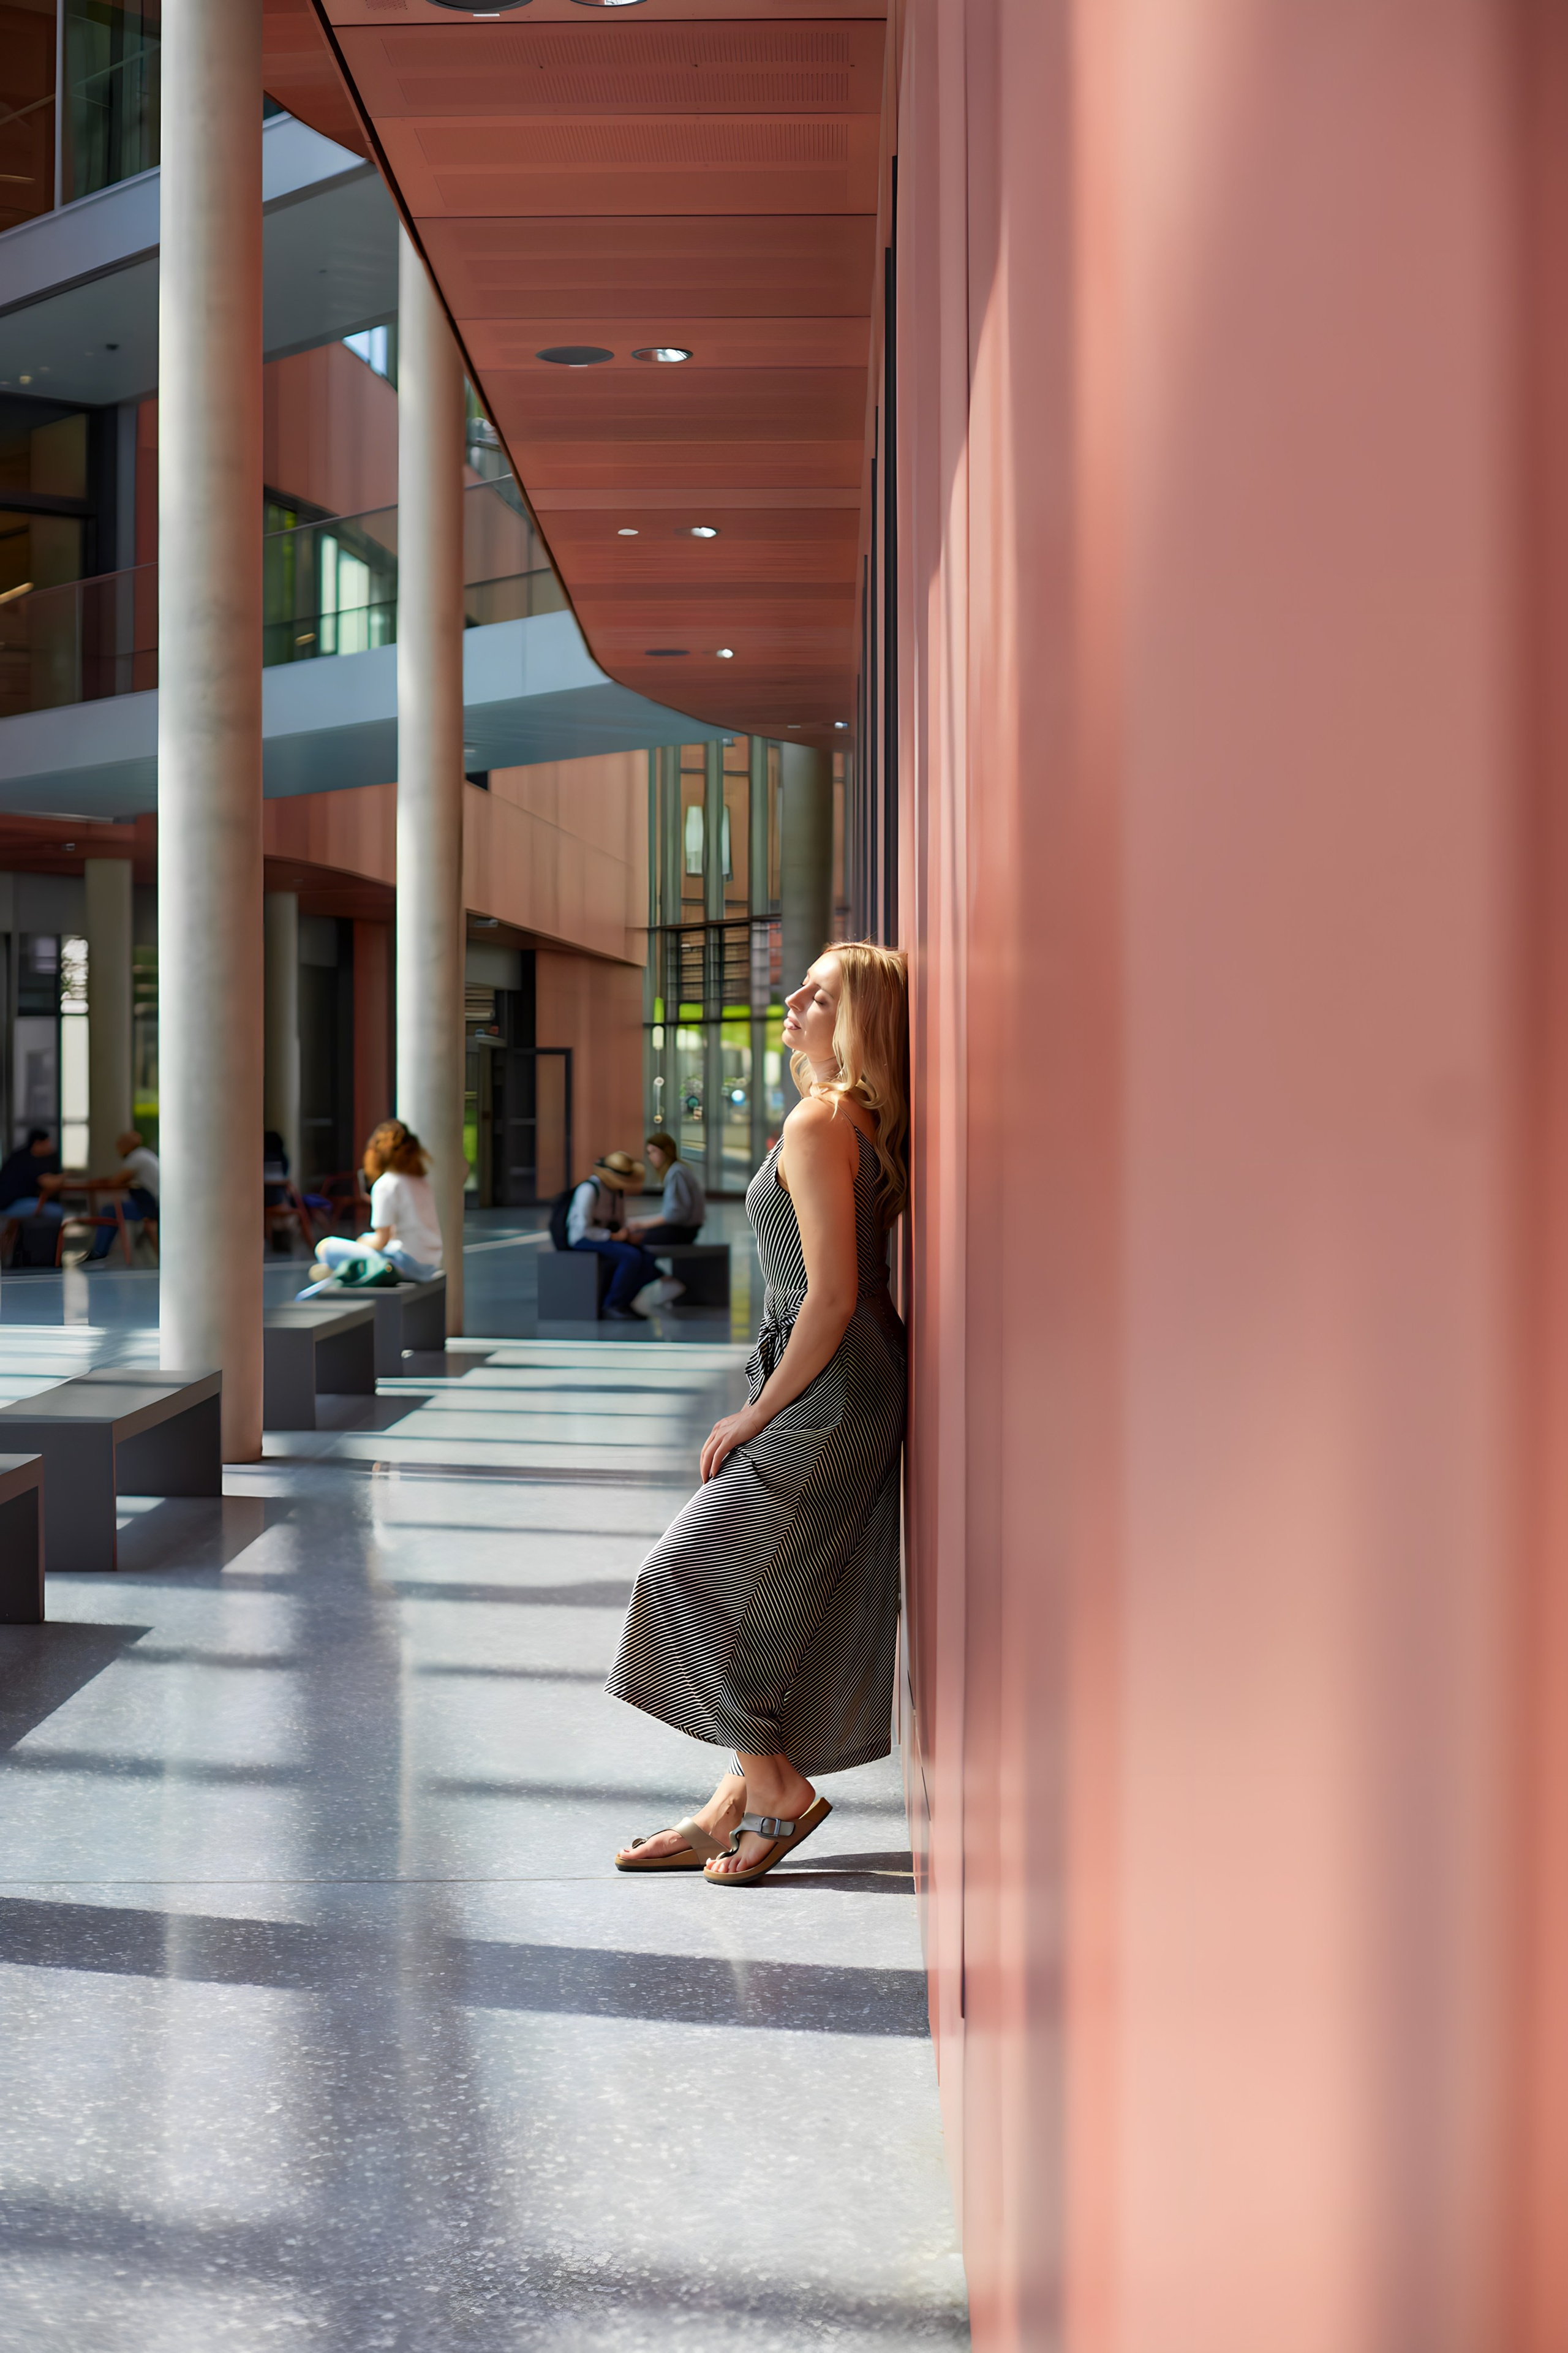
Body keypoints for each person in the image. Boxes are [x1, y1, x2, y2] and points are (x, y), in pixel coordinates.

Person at [607, 941, 909, 1883]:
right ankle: (731, 1801)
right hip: (835, 1376)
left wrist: (754, 1417)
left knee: (678, 1582)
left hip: (830, 1384)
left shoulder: (822, 1121)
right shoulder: (840, 1115)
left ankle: (777, 1788)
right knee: (784, 1602)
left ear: (857, 1020)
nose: (793, 1001)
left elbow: (828, 1295)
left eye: (817, 995)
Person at [301, 1119, 442, 1291]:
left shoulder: (386, 1184)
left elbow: (381, 1240)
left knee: (326, 1247)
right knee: (364, 1244)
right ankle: (337, 1270)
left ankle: (338, 1270)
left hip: (406, 1264)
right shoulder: (421, 1181)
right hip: (431, 1262)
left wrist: (362, 1242)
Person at [567, 1150, 660, 1321]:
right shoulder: (588, 1190)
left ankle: (624, 1301)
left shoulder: (616, 1192)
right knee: (630, 1257)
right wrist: (613, 1237)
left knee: (648, 1259)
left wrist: (628, 1234)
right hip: (585, 1238)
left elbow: (619, 1220)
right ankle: (612, 1304)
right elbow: (582, 1229)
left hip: (608, 1236)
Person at [84, 1130, 160, 1260]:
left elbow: (116, 1182)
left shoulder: (136, 1158)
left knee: (109, 1211)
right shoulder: (144, 1154)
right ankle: (100, 1252)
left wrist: (95, 1182)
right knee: (113, 1210)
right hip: (154, 1203)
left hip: (153, 1206)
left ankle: (99, 1253)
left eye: (120, 1144)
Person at [623, 1131, 705, 1245]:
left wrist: (642, 1224)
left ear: (666, 1152)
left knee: (636, 1237)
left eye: (654, 1151)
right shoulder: (678, 1170)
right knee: (638, 1233)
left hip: (683, 1231)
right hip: (684, 1229)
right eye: (649, 1153)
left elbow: (676, 1215)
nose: (651, 1157)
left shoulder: (676, 1173)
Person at [0, 1128, 65, 1261]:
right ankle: (44, 1255)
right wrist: (66, 1176)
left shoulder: (19, 1156)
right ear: (38, 1143)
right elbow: (49, 1184)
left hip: (9, 1203)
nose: (51, 1146)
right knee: (57, 1211)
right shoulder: (29, 1160)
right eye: (48, 1143)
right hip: (13, 1205)